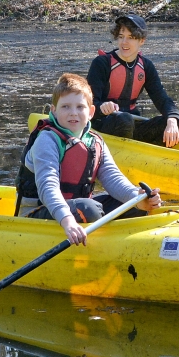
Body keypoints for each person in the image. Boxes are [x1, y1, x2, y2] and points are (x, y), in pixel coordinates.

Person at [16, 73, 162, 245]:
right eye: (65, 107)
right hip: (37, 215)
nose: (73, 113)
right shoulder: (47, 140)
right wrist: (67, 220)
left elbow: (113, 179)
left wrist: (138, 199)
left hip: (76, 209)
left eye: (80, 107)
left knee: (132, 205)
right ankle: (101, 238)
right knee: (89, 209)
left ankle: (117, 242)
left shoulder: (95, 141)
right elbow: (47, 188)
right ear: (53, 111)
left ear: (91, 112)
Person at [86, 13, 179, 147]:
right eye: (121, 37)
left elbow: (162, 98)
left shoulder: (146, 66)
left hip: (133, 124)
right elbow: (88, 104)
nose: (124, 42)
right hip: (105, 125)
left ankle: (152, 152)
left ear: (142, 41)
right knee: (124, 119)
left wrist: (172, 119)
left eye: (131, 38)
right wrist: (101, 107)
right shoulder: (102, 63)